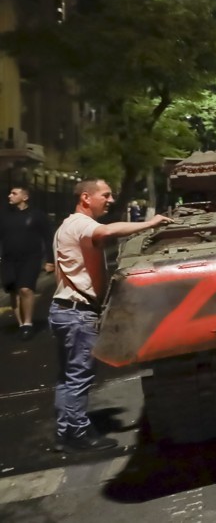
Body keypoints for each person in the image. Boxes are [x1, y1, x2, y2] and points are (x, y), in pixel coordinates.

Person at [51, 179, 171, 452]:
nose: (111, 200)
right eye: (105, 195)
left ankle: (64, 433)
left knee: (67, 378)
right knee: (79, 377)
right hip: (77, 314)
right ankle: (78, 435)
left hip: (63, 311)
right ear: (85, 198)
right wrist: (149, 224)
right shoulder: (81, 224)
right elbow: (107, 232)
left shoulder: (67, 225)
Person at [1, 187, 54, 339]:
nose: (9, 195)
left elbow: (48, 237)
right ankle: (21, 324)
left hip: (31, 258)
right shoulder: (4, 214)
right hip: (8, 259)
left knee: (25, 289)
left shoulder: (37, 215)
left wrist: (50, 260)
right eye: (10, 192)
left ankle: (28, 323)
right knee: (13, 291)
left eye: (14, 193)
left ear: (25, 197)